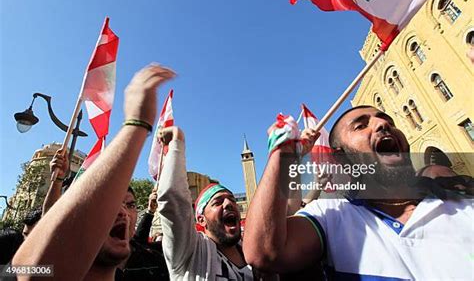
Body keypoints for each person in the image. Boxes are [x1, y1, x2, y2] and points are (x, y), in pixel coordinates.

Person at [243, 105, 473, 280]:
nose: (383, 126)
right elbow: (264, 253)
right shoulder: (330, 215)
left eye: (388, 122)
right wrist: (283, 155)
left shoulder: (461, 200)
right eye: (361, 125)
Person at [13, 64, 176, 280]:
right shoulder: (22, 270)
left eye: (129, 205)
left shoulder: (152, 265)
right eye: (106, 202)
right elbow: (33, 265)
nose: (122, 213)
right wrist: (137, 125)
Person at [156, 126, 260, 280]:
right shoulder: (191, 252)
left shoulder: (253, 251)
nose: (228, 204)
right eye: (217, 202)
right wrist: (176, 142)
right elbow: (173, 199)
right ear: (201, 219)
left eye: (232, 199)